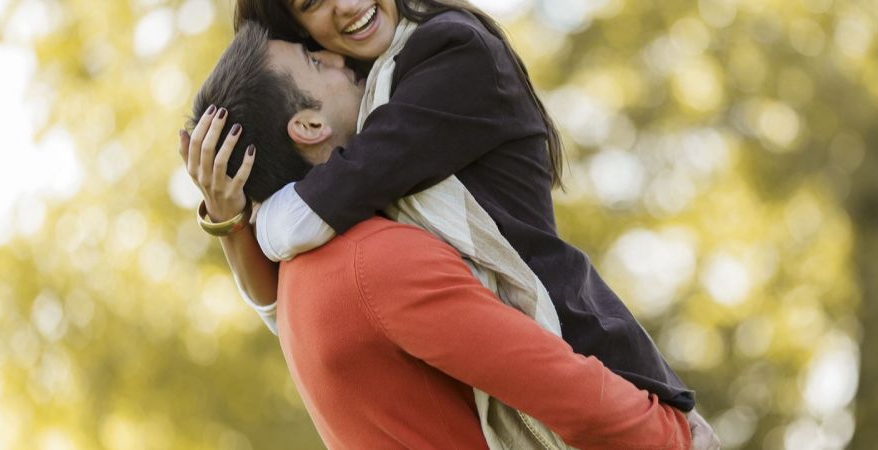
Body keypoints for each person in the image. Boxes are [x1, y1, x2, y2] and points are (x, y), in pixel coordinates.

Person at [180, 1, 719, 447]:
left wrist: (252, 216)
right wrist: (230, 220)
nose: (345, 11)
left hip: (599, 361)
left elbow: (302, 237)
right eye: (314, 53)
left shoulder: (450, 55)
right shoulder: (365, 256)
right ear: (309, 122)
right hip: (604, 400)